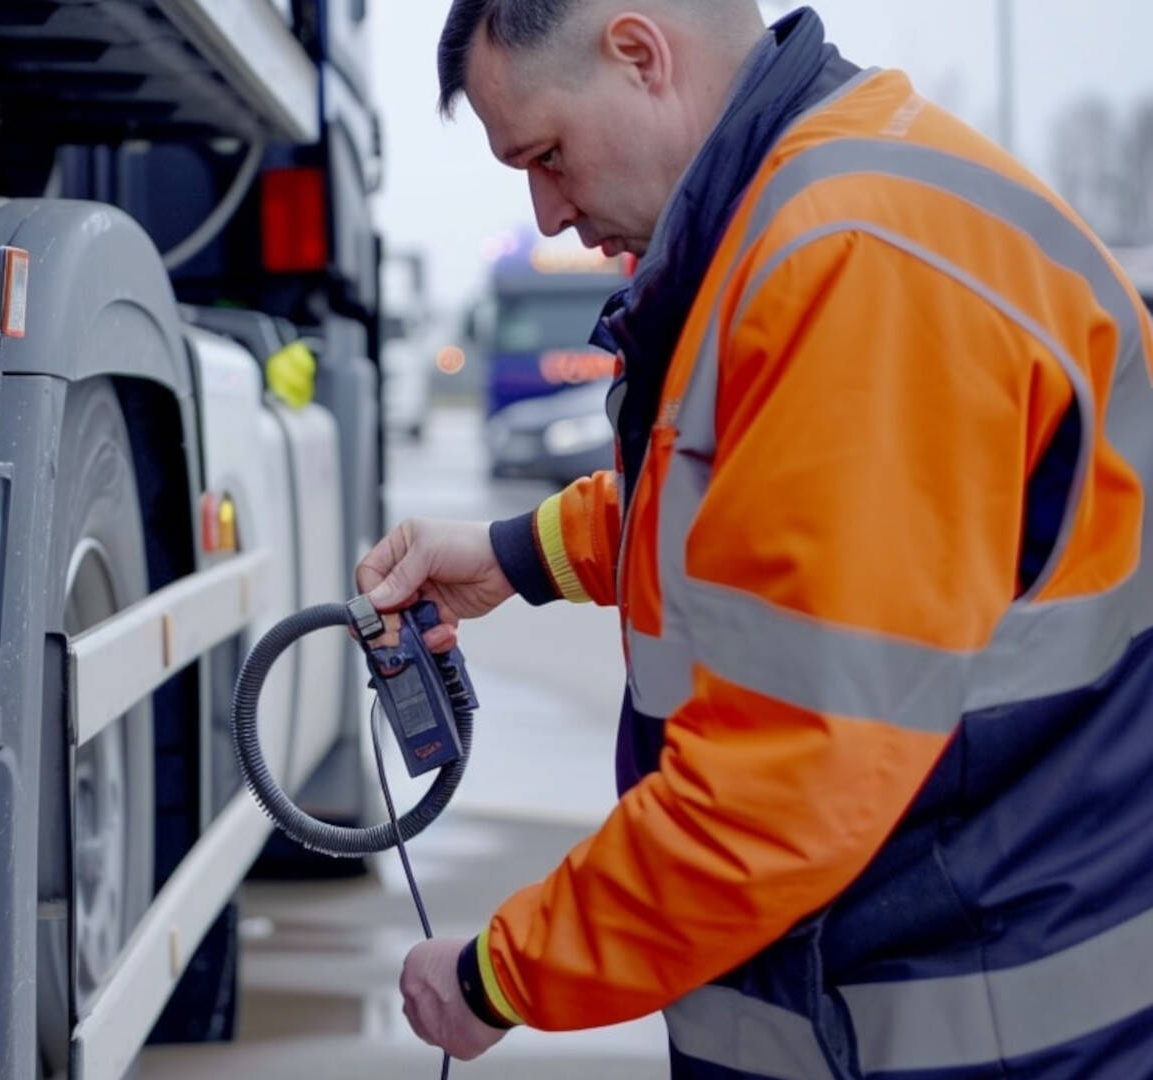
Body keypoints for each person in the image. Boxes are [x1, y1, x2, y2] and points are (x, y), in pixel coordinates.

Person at [365, 1, 1153, 1075]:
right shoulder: (810, 209)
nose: (547, 213)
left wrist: (497, 977)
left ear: (639, 55)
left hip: (975, 1025)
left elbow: (782, 784)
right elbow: (754, 517)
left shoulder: (853, 258)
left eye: (547, 155)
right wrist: (516, 556)